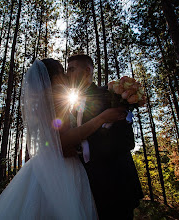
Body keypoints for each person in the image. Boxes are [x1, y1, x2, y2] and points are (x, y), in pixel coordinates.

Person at [0, 58, 126, 219]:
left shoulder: (45, 101)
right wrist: (101, 118)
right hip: (62, 169)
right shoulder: (56, 100)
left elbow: (54, 138)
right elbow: (63, 139)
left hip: (47, 164)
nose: (66, 75)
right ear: (54, 77)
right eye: (62, 71)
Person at [66, 54, 144, 220]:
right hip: (90, 187)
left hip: (116, 185)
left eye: (71, 69)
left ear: (87, 71)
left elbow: (126, 140)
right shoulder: (74, 106)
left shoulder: (111, 95)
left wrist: (87, 150)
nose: (67, 74)